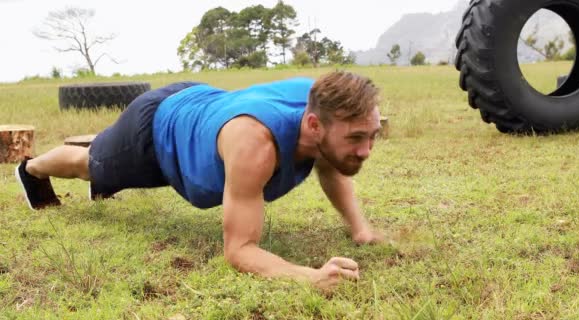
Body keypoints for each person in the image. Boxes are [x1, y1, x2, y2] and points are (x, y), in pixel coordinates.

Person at [15, 71, 384, 290]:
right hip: (155, 129)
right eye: (355, 139)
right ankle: (30, 169)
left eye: (372, 136)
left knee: (104, 151)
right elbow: (240, 250)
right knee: (90, 164)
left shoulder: (323, 105)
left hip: (200, 107)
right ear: (314, 124)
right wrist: (308, 276)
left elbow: (331, 161)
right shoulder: (255, 143)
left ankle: (109, 143)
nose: (366, 150)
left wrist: (360, 229)